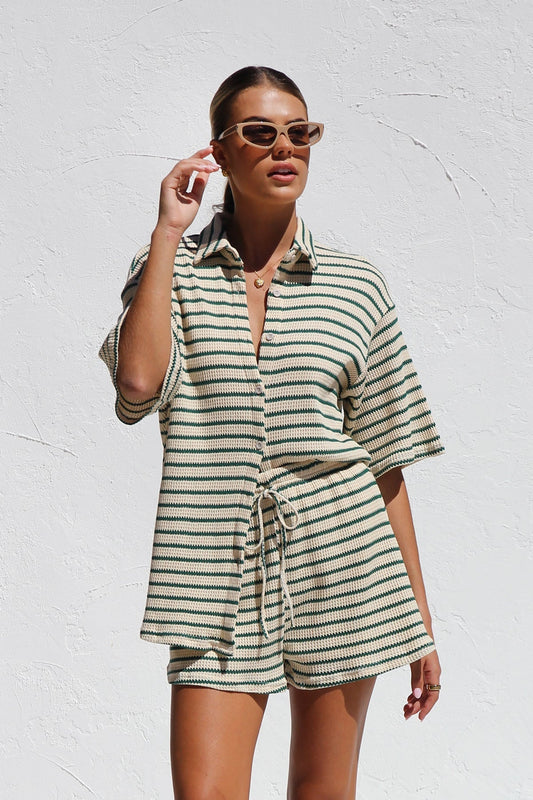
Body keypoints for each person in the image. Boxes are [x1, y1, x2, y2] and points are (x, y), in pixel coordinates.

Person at [99, 65, 444, 800]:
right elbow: (137, 387)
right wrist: (167, 232)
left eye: (300, 132)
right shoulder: (169, 272)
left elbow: (385, 465)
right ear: (220, 153)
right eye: (260, 133)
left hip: (345, 565)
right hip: (211, 577)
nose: (284, 147)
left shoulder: (355, 284)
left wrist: (420, 623)